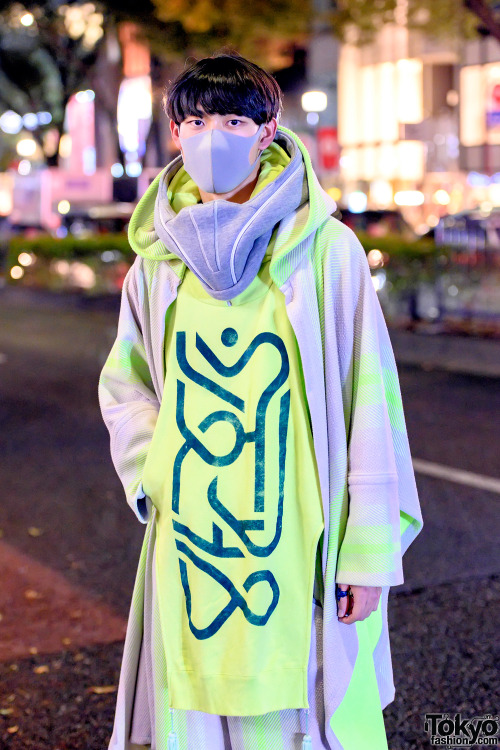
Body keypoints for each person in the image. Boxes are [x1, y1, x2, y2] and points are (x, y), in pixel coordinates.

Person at [98, 50, 423, 750]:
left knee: (298, 713)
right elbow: (127, 388)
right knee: (196, 714)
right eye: (197, 119)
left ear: (270, 130)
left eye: (235, 120)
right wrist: (164, 473)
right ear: (176, 133)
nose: (214, 135)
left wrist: (365, 555)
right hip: (195, 537)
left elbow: (369, 399)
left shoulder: (325, 251)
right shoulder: (155, 265)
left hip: (297, 539)